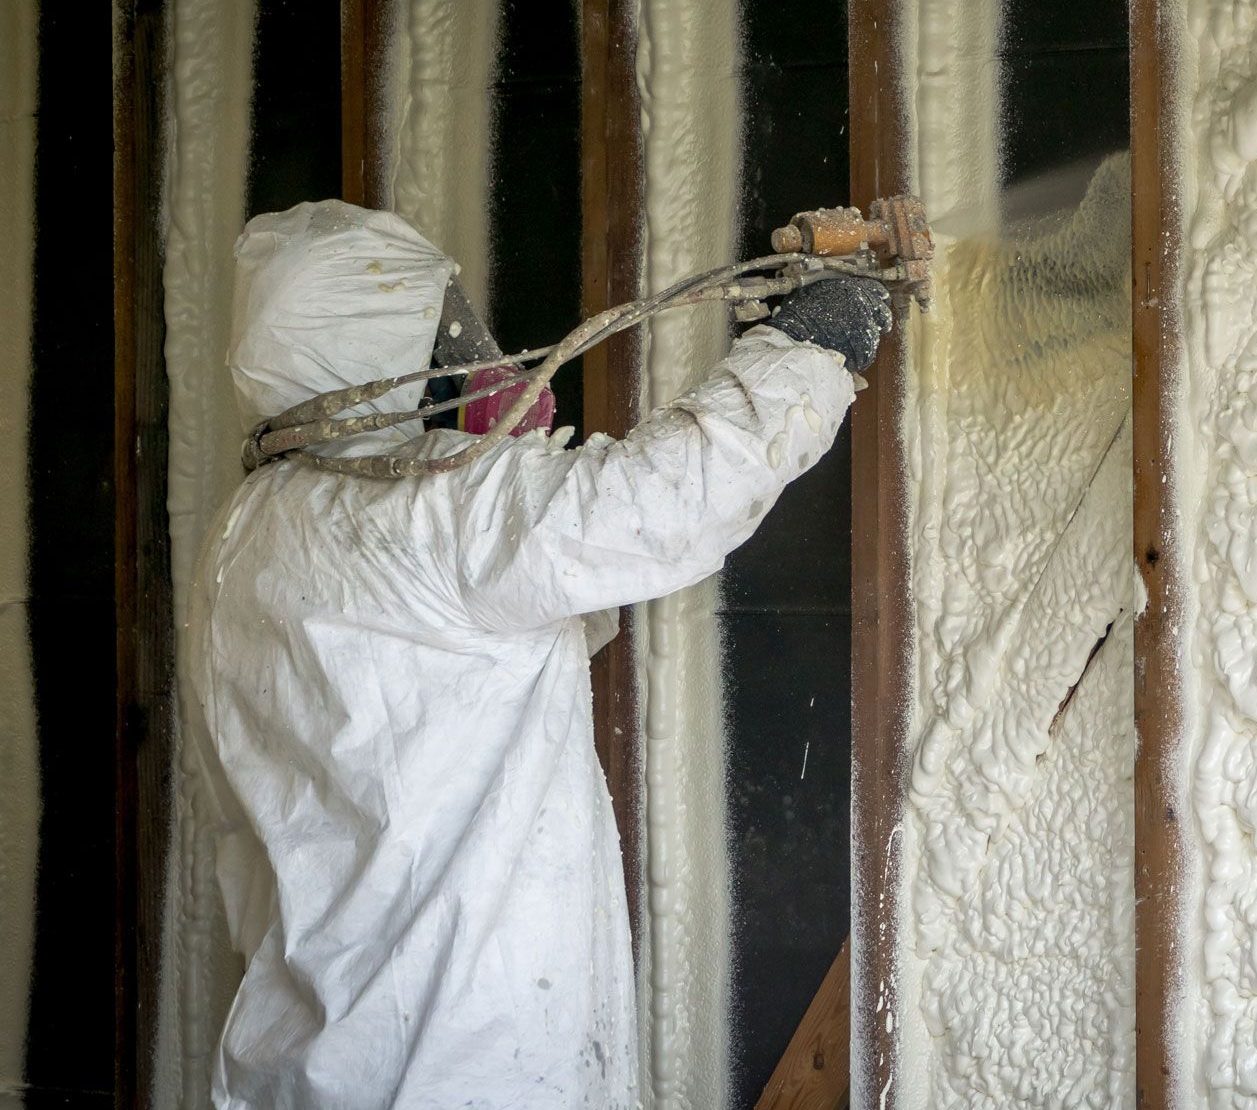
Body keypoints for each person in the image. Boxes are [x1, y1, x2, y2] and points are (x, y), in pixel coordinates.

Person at [179, 200, 891, 1108]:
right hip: (462, 1063)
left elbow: (510, 633)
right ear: (375, 348)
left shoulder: (244, 534)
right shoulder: (432, 510)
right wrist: (817, 337)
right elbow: (664, 501)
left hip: (303, 1062)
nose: (476, 358)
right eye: (445, 334)